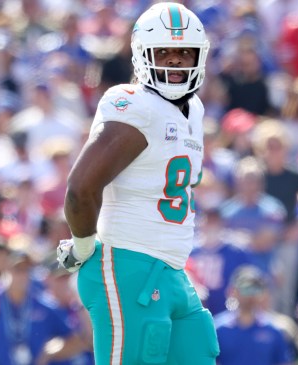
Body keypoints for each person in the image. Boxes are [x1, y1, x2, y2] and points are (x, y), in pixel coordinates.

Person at [56, 3, 220, 364]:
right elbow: (81, 189)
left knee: (200, 352)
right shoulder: (133, 103)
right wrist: (83, 246)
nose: (175, 61)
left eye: (183, 52)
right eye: (164, 51)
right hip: (128, 265)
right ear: (142, 54)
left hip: (172, 270)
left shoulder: (195, 110)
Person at [214, 265, 294, 365]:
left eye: (256, 289)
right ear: (233, 291)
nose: (251, 294)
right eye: (246, 288)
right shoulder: (217, 329)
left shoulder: (274, 330)